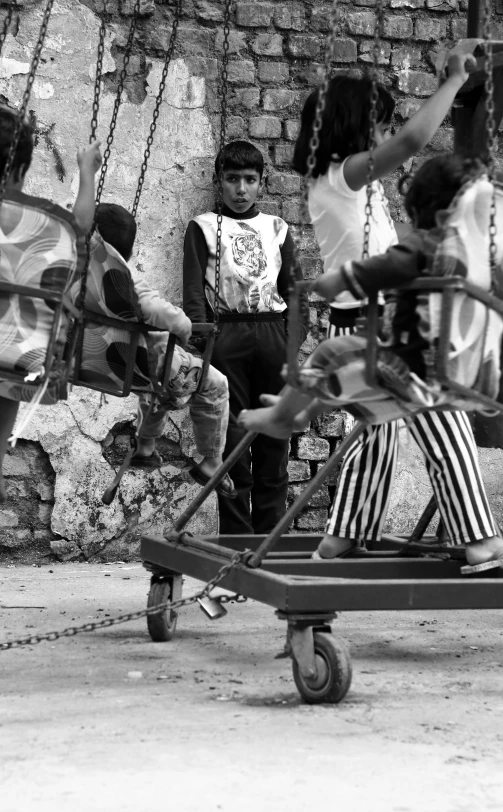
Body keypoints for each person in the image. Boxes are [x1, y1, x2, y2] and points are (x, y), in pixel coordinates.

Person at [239, 153, 503, 573]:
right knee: (375, 416)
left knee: (332, 353)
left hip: (413, 373)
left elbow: (384, 267)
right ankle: (344, 531)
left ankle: (288, 415)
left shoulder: (429, 242)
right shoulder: (484, 257)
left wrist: (338, 281)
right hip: (470, 374)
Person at [284, 51, 501, 562]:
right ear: (354, 129)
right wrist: (453, 80)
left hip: (367, 316)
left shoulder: (354, 188)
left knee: (378, 428)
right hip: (377, 320)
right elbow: (413, 142)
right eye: (380, 124)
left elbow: (399, 247)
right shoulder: (342, 175)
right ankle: (478, 541)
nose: (387, 134)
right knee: (441, 415)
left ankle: (342, 537)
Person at [183, 140, 309, 534]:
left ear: (261, 183)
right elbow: (192, 295)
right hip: (228, 336)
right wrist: (208, 343)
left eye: (250, 180)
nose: (241, 189)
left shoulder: (276, 227)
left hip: (274, 334)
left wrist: (291, 340)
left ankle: (271, 538)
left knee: (274, 438)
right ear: (218, 181)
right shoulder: (202, 227)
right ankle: (237, 539)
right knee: (232, 440)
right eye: (232, 179)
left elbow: (295, 291)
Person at [90, 203, 236, 498]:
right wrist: (184, 327)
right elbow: (160, 311)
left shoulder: (80, 281)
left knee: (155, 388)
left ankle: (145, 446)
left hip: (108, 365)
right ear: (127, 253)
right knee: (214, 384)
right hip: (154, 364)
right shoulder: (123, 279)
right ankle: (212, 460)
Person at [0, 105, 101, 502]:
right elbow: (81, 226)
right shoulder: (50, 223)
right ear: (21, 170)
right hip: (19, 358)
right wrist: (86, 172)